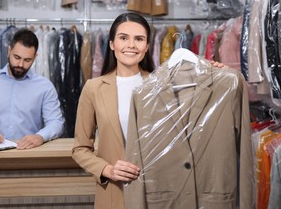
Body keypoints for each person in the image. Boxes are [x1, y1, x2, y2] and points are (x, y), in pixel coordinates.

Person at [72, 12, 225, 208]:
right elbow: (80, 149)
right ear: (111, 44)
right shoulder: (94, 88)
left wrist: (214, 74)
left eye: (139, 39)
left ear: (147, 46)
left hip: (157, 191)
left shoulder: (164, 85)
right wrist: (106, 169)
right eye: (123, 38)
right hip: (114, 192)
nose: (131, 45)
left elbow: (188, 129)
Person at [0, 28, 64, 149]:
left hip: (28, 151)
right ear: (9, 51)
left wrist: (40, 137)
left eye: (27, 60)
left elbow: (56, 122)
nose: (20, 64)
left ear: (35, 57)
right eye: (17, 57)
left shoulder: (45, 86)